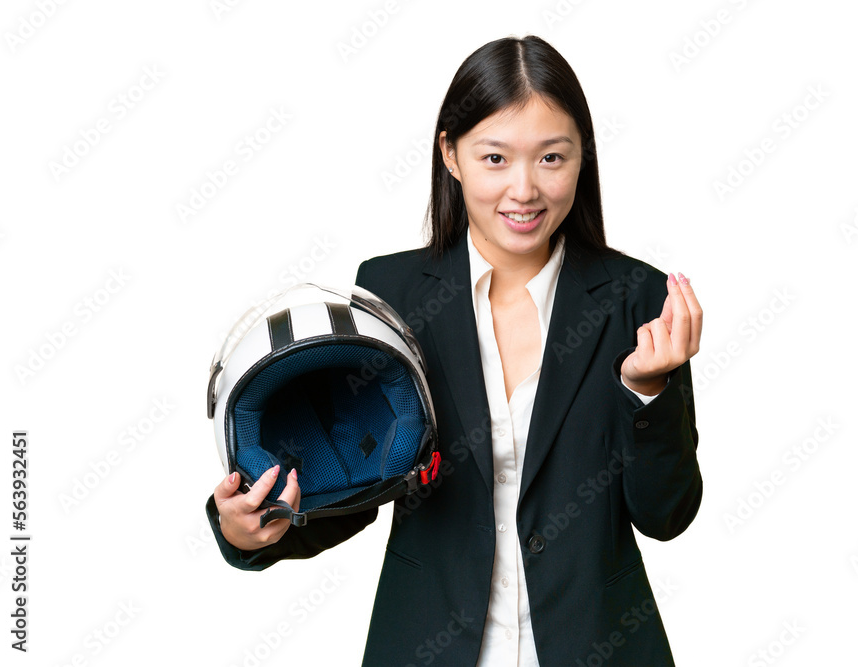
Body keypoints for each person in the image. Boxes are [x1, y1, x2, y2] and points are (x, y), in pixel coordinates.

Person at [206, 34, 703, 666]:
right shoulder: (389, 294)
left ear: (584, 156)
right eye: (495, 158)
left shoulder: (638, 298)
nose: (524, 189)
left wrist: (647, 392)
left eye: (552, 158)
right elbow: (356, 487)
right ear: (451, 154)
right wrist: (249, 528)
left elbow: (666, 515)